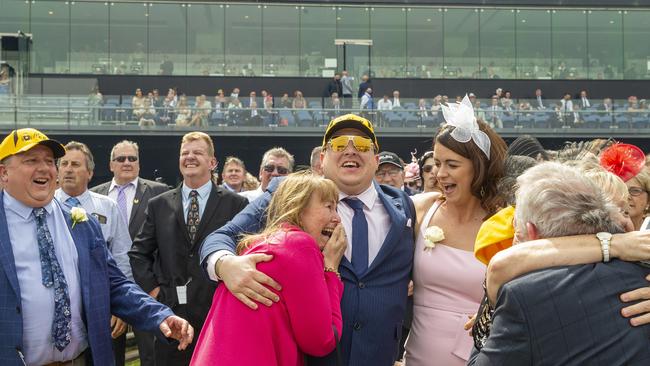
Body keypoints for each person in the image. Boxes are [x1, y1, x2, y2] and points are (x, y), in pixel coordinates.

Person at [200, 113, 415, 366]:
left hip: (378, 355)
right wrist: (225, 265)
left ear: (376, 160)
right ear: (322, 159)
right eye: (338, 144)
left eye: (362, 145)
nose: (350, 151)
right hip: (310, 358)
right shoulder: (291, 194)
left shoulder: (404, 207)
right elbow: (220, 237)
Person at [0, 128, 193, 365]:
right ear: (3, 173)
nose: (44, 168)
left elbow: (112, 283)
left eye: (49, 161)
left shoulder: (81, 223)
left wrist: (158, 315)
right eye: (31, 161)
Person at [468, 162, 650, 365]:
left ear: (531, 232)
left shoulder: (523, 297)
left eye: (517, 234)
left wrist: (493, 300)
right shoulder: (642, 275)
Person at [191, 172, 346, 365]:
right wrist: (331, 269)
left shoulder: (260, 244)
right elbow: (321, 342)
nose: (337, 218)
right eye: (329, 207)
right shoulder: (300, 244)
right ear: (297, 208)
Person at [129, 132, 248, 366]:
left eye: (197, 153)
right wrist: (155, 293)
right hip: (171, 315)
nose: (190, 157)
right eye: (185, 153)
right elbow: (138, 254)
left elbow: (245, 253)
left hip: (218, 315)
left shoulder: (236, 204)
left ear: (213, 162)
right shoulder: (159, 204)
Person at [404, 95, 507, 366]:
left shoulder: (505, 223)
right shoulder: (422, 210)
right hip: (418, 356)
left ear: (479, 169)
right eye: (437, 163)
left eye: (452, 164)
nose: (440, 174)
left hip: (482, 357)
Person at [54, 141, 136, 364]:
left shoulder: (107, 206)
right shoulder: (44, 206)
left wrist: (121, 307)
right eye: (64, 164)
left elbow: (122, 258)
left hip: (102, 309)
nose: (69, 169)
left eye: (76, 164)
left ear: (89, 172)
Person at [91, 139, 169, 366]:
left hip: (148, 289)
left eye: (132, 158)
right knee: (109, 355)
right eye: (121, 159)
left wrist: (157, 285)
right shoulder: (94, 196)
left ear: (139, 164)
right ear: (111, 164)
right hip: (109, 290)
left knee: (151, 355)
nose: (127, 163)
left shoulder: (159, 192)